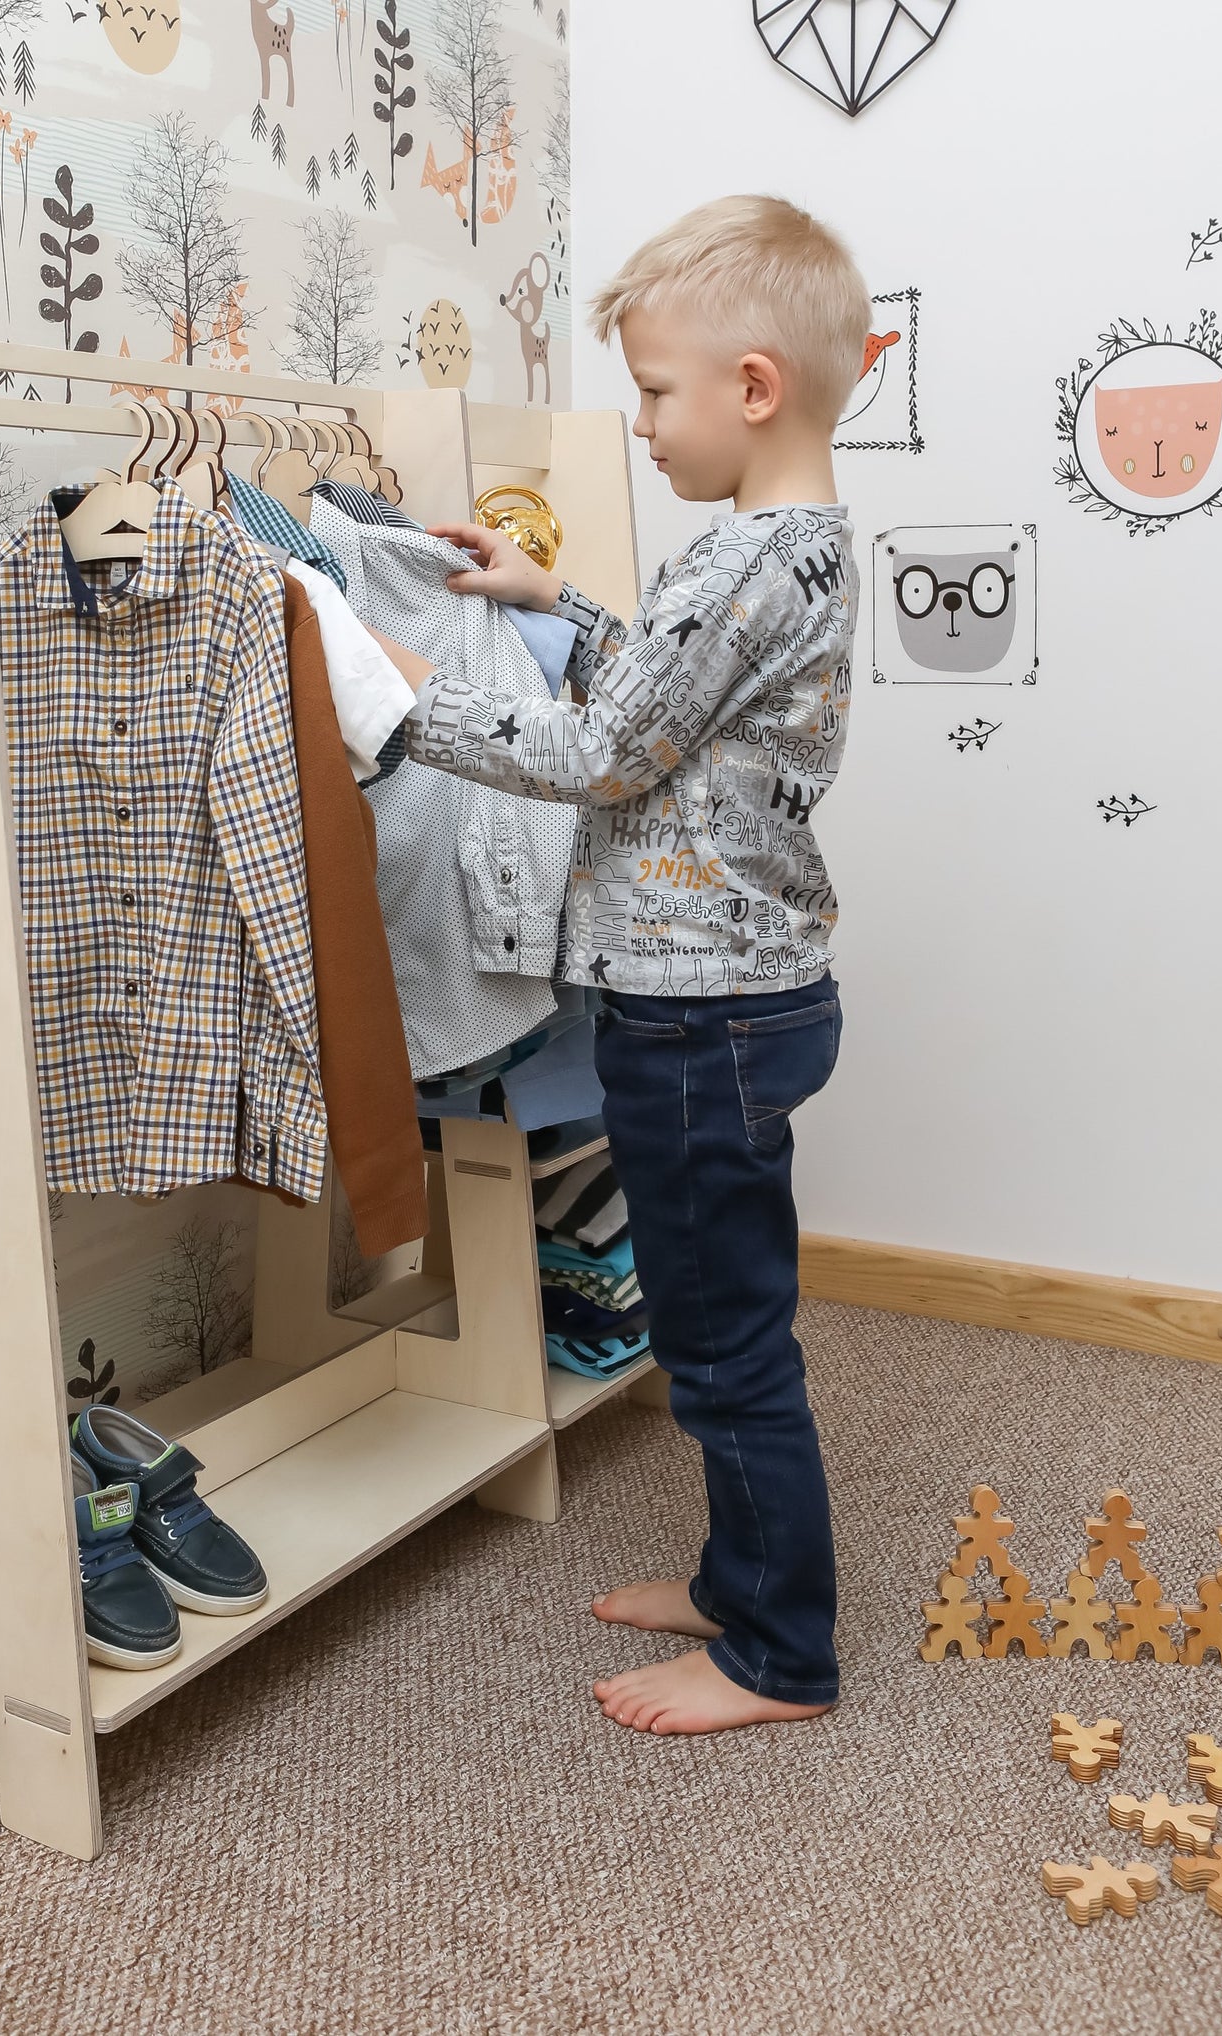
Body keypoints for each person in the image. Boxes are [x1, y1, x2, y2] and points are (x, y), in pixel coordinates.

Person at [373, 194, 868, 1734]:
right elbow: (672, 697)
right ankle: (737, 1579)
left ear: (751, 388)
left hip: (704, 1020)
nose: (640, 425)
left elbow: (602, 752)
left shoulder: (742, 568)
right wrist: (554, 603)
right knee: (720, 1311)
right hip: (729, 1007)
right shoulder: (780, 553)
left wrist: (397, 705)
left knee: (720, 1344)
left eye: (654, 393)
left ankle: (776, 1654)